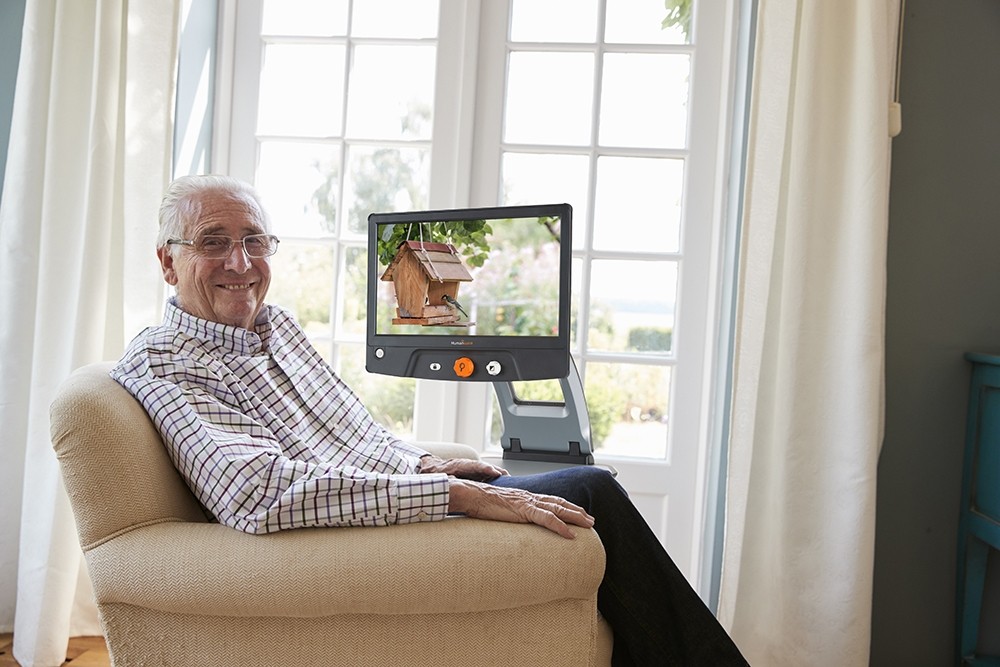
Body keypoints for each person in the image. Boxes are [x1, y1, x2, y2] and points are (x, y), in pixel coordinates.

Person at [112, 174, 748, 666]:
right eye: (214, 243)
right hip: (341, 537)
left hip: (396, 497)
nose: (241, 263)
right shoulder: (163, 359)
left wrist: (423, 463)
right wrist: (449, 494)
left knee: (589, 485)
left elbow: (354, 433)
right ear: (168, 262)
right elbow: (255, 491)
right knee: (591, 492)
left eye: (254, 241)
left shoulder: (275, 328)